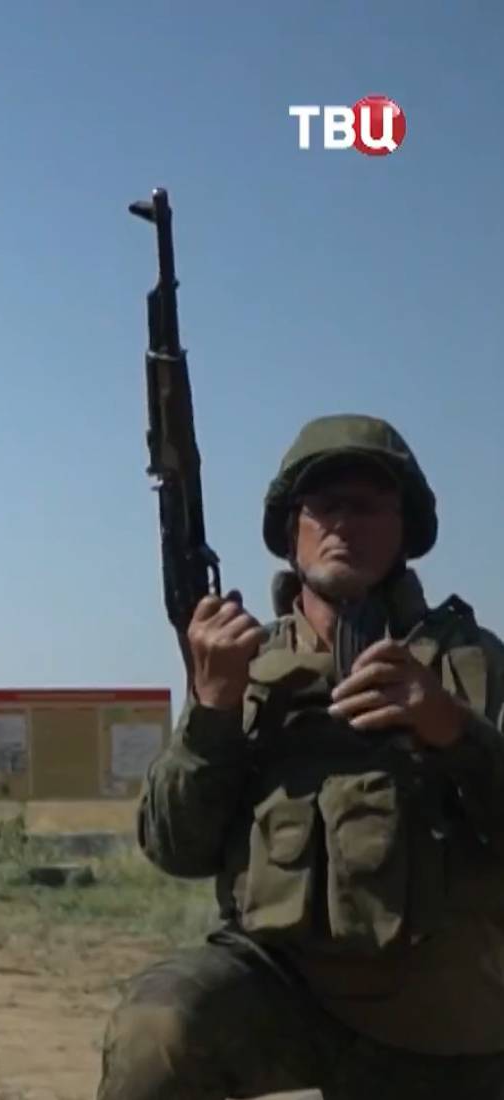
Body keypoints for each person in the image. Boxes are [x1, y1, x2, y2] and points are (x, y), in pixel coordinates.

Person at [97, 414, 504, 1099]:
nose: (344, 523)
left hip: (441, 1018)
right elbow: (175, 847)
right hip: (283, 988)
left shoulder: (476, 663)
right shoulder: (242, 664)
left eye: (368, 506)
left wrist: (453, 729)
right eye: (325, 506)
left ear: (405, 529)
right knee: (158, 1030)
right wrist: (213, 712)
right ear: (291, 532)